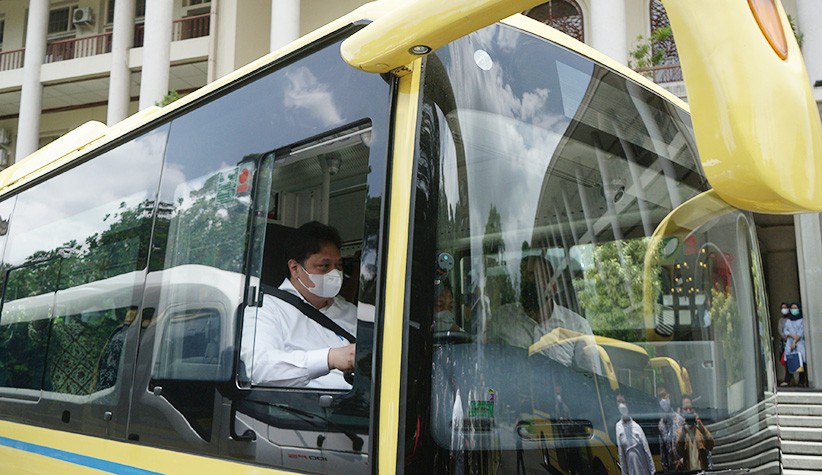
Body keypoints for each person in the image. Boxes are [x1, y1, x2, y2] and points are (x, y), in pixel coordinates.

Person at [242, 221, 356, 389]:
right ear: (295, 268)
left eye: (338, 266)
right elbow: (259, 367)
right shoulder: (265, 308)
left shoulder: (351, 312)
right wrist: (329, 358)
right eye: (324, 266)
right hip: (302, 411)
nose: (334, 274)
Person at [615, 394, 655, 475]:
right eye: (619, 402)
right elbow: (621, 454)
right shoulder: (618, 427)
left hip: (642, 467)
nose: (621, 405)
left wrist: (652, 471)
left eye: (623, 402)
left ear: (627, 404)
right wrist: (624, 473)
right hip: (631, 469)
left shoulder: (637, 427)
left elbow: (646, 450)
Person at [674, 396, 714, 471]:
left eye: (690, 408)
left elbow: (711, 445)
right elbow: (679, 452)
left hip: (701, 471)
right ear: (681, 412)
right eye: (685, 409)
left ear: (694, 409)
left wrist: (703, 430)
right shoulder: (679, 432)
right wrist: (683, 430)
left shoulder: (700, 429)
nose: (688, 411)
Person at [782, 302, 807, 387]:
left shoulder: (802, 321)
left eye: (795, 308)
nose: (793, 310)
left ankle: (801, 381)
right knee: (788, 361)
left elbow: (800, 333)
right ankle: (787, 380)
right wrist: (791, 336)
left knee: (801, 362)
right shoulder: (788, 320)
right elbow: (785, 330)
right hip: (789, 342)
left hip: (799, 343)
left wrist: (794, 342)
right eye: (792, 308)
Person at [657, 387, 677, 473]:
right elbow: (663, 451)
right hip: (670, 468)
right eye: (660, 397)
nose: (663, 400)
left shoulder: (678, 419)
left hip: (683, 466)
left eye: (664, 395)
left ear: (669, 395)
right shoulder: (661, 425)